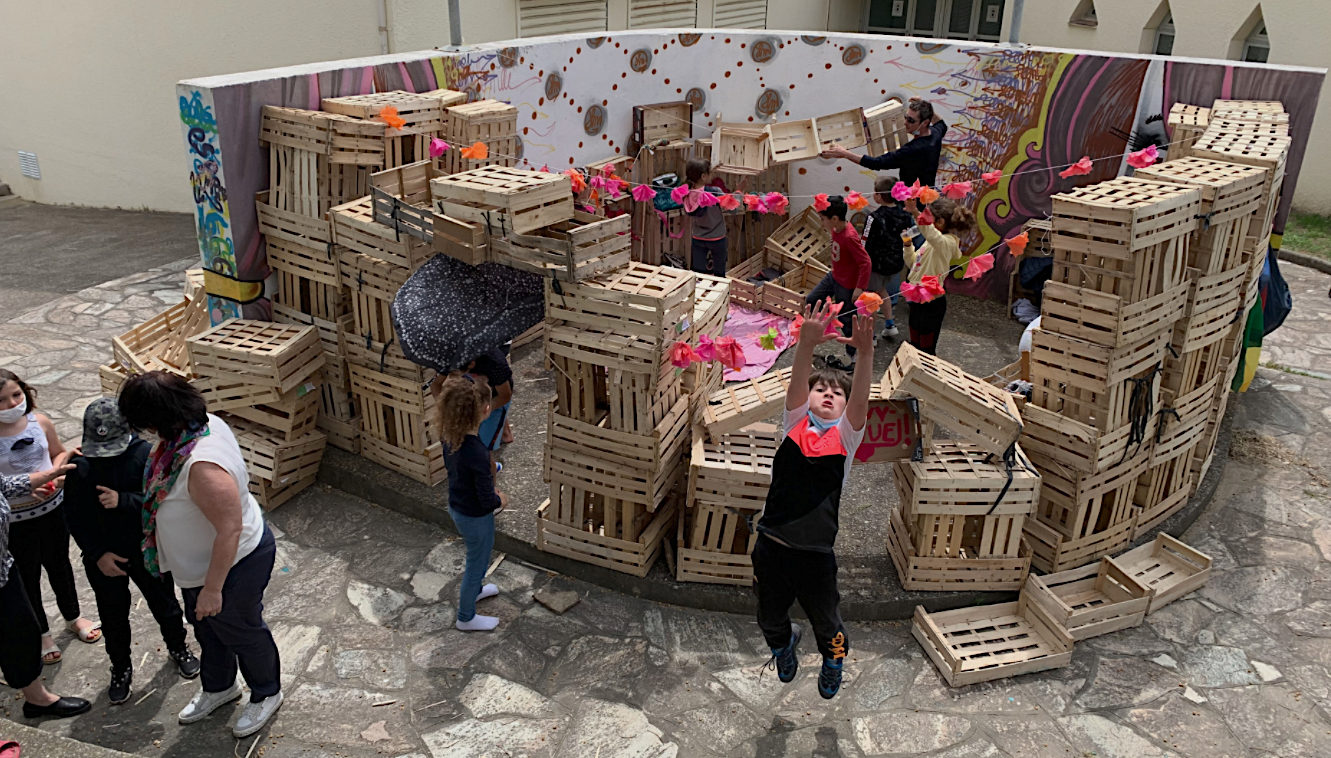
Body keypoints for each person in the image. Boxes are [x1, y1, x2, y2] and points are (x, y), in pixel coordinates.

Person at [117, 372, 283, 739]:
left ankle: (267, 692)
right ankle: (220, 687)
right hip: (197, 570)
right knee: (210, 632)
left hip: (231, 567)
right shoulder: (190, 431)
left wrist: (213, 589)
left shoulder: (201, 466)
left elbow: (229, 529)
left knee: (242, 631)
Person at [754, 300, 873, 701]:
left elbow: (860, 400)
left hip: (815, 554)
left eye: (835, 392)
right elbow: (797, 381)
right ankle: (783, 646)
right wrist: (805, 345)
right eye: (820, 388)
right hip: (771, 544)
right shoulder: (793, 425)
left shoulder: (845, 438)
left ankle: (833, 661)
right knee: (769, 617)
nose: (827, 393)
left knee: (829, 625)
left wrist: (867, 353)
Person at [64, 398, 201, 705]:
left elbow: (162, 501)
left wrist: (124, 500)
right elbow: (74, 517)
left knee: (165, 604)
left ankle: (178, 647)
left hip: (145, 550)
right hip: (104, 559)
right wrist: (98, 554)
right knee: (113, 616)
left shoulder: (144, 457)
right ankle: (121, 667)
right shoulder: (81, 468)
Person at [0, 369, 101, 665]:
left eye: (16, 395)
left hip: (53, 512)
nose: (11, 404)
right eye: (2, 400)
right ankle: (42, 632)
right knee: (27, 577)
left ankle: (73, 616)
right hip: (15, 522)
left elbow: (58, 454)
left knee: (60, 565)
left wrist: (55, 476)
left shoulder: (39, 422)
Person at [1, 462, 94, 719]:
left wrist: (50, 475)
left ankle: (37, 699)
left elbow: (4, 484)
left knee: (21, 633)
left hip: (3, 569)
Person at [434, 373, 507, 632]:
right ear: (486, 409)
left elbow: (462, 469)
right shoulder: (476, 450)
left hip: (457, 505)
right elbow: (487, 500)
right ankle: (466, 617)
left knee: (475, 556)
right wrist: (500, 498)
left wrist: (490, 469)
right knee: (476, 563)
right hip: (475, 517)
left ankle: (475, 592)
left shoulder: (450, 436)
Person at [902, 196, 977, 355]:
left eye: (929, 218)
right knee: (914, 341)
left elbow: (930, 233)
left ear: (940, 222)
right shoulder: (931, 241)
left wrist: (915, 212)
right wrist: (908, 247)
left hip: (932, 303)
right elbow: (914, 264)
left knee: (926, 349)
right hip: (917, 298)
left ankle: (927, 373)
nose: (925, 222)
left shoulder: (946, 243)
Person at [821, 98, 948, 189]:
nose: (905, 122)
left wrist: (845, 154)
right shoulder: (935, 134)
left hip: (913, 201)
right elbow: (942, 124)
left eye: (910, 120)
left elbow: (877, 163)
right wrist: (925, 105)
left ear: (925, 123)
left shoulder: (912, 150)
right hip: (926, 195)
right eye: (905, 116)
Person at [806, 196, 871, 371]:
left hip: (847, 285)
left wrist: (859, 287)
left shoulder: (850, 237)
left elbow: (865, 263)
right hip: (834, 277)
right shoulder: (836, 228)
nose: (821, 223)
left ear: (834, 218)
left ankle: (852, 355)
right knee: (811, 300)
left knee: (847, 320)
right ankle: (816, 336)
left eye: (822, 219)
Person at [863, 176, 915, 342]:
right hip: (896, 263)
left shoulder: (874, 217)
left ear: (878, 196)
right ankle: (890, 325)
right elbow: (911, 235)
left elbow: (865, 241)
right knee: (882, 292)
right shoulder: (905, 215)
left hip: (876, 264)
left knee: (870, 298)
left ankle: (870, 335)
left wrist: (860, 264)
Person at [683, 158, 746, 276]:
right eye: (709, 172)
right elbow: (733, 209)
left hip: (698, 237)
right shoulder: (714, 192)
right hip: (717, 238)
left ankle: (699, 293)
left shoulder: (686, 193)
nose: (711, 175)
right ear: (703, 176)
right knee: (719, 273)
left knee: (698, 274)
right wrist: (738, 192)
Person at [465, 349, 514, 455]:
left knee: (484, 451)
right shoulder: (449, 358)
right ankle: (504, 433)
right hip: (475, 400)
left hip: (495, 398)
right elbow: (436, 384)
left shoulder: (495, 362)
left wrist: (480, 413)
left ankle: (491, 469)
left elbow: (505, 396)